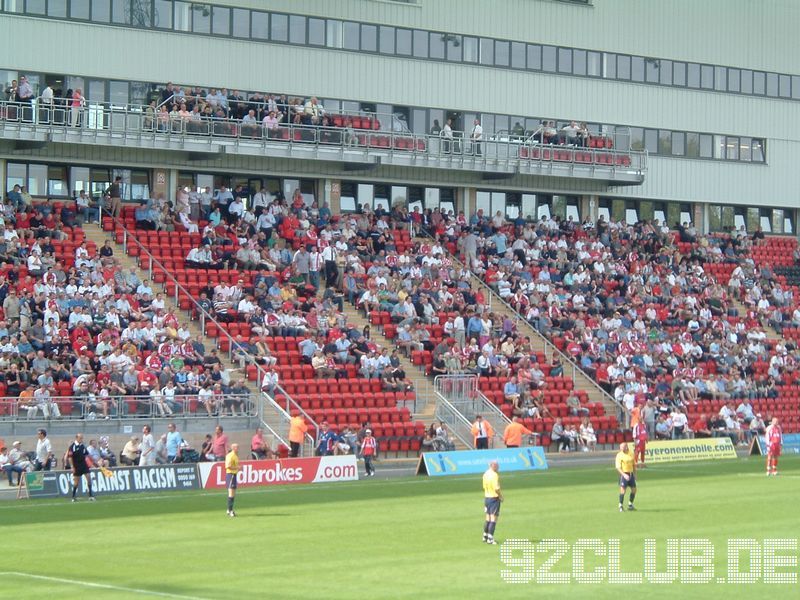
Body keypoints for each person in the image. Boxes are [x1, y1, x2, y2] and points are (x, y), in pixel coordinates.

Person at [67, 433, 95, 502]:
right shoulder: (72, 447)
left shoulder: (82, 446)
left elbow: (87, 455)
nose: (81, 439)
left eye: (82, 438)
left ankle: (91, 495)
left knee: (88, 478)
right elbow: (70, 458)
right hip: (77, 466)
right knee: (76, 482)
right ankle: (73, 496)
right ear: (76, 438)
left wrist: (94, 462)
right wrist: (72, 466)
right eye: (80, 438)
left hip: (84, 465)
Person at [482, 460, 503, 545]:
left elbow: (484, 486)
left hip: (487, 498)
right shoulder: (494, 475)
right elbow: (496, 488)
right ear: (493, 466)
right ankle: (490, 538)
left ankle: (485, 536)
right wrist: (501, 496)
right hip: (494, 498)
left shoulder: (485, 473)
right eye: (497, 465)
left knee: (487, 518)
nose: (498, 467)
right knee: (493, 519)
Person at [615, 442, 636, 512]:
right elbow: (618, 467)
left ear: (626, 447)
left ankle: (630, 504)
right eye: (621, 447)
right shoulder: (619, 455)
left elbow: (634, 464)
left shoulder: (631, 453)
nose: (621, 449)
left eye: (622, 447)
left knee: (634, 490)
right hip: (624, 474)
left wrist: (635, 474)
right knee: (623, 490)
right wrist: (624, 475)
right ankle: (620, 505)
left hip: (631, 474)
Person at [225, 443, 240, 517]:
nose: (238, 449)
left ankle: (229, 509)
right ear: (233, 448)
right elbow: (228, 466)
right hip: (231, 475)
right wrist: (237, 468)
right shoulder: (230, 455)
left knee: (233, 494)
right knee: (231, 493)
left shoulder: (235, 455)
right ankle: (230, 511)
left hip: (234, 475)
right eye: (237, 447)